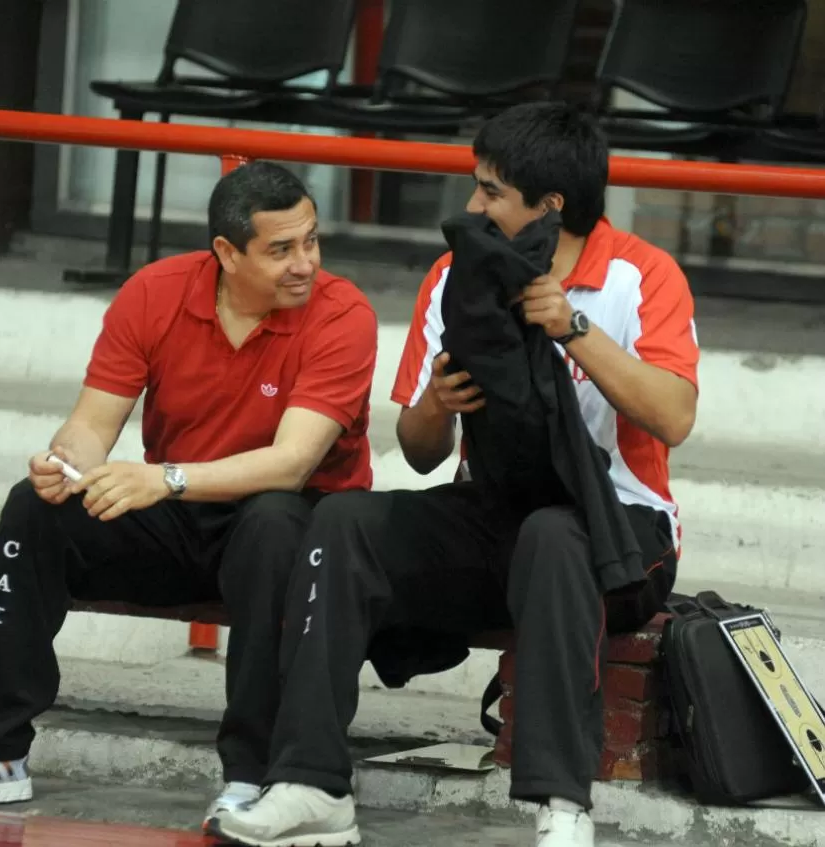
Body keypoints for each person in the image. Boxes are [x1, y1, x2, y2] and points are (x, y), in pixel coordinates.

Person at [212, 103, 699, 847]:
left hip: (619, 531)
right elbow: (418, 450)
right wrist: (439, 403)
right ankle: (311, 783)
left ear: (550, 206)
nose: (472, 205)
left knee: (552, 534)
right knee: (343, 520)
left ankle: (563, 807)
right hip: (491, 511)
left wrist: (570, 326)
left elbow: (674, 416)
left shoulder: (644, 274)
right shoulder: (453, 275)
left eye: (491, 191)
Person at [0, 161, 379, 826]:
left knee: (273, 523)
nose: (306, 263)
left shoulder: (342, 313)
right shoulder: (157, 292)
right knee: (37, 506)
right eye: (281, 249)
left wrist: (165, 478)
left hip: (293, 522)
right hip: (181, 514)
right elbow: (93, 426)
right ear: (225, 252)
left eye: (311, 241)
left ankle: (255, 773)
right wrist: (62, 463)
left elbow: (292, 464)